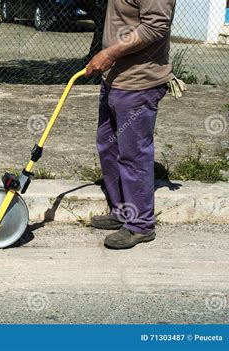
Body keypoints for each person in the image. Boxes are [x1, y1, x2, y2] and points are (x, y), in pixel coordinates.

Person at [85, 0, 182, 249]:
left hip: (139, 83)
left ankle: (140, 225)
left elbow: (155, 26)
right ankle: (122, 211)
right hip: (114, 78)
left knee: (133, 155)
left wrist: (109, 53)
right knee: (108, 146)